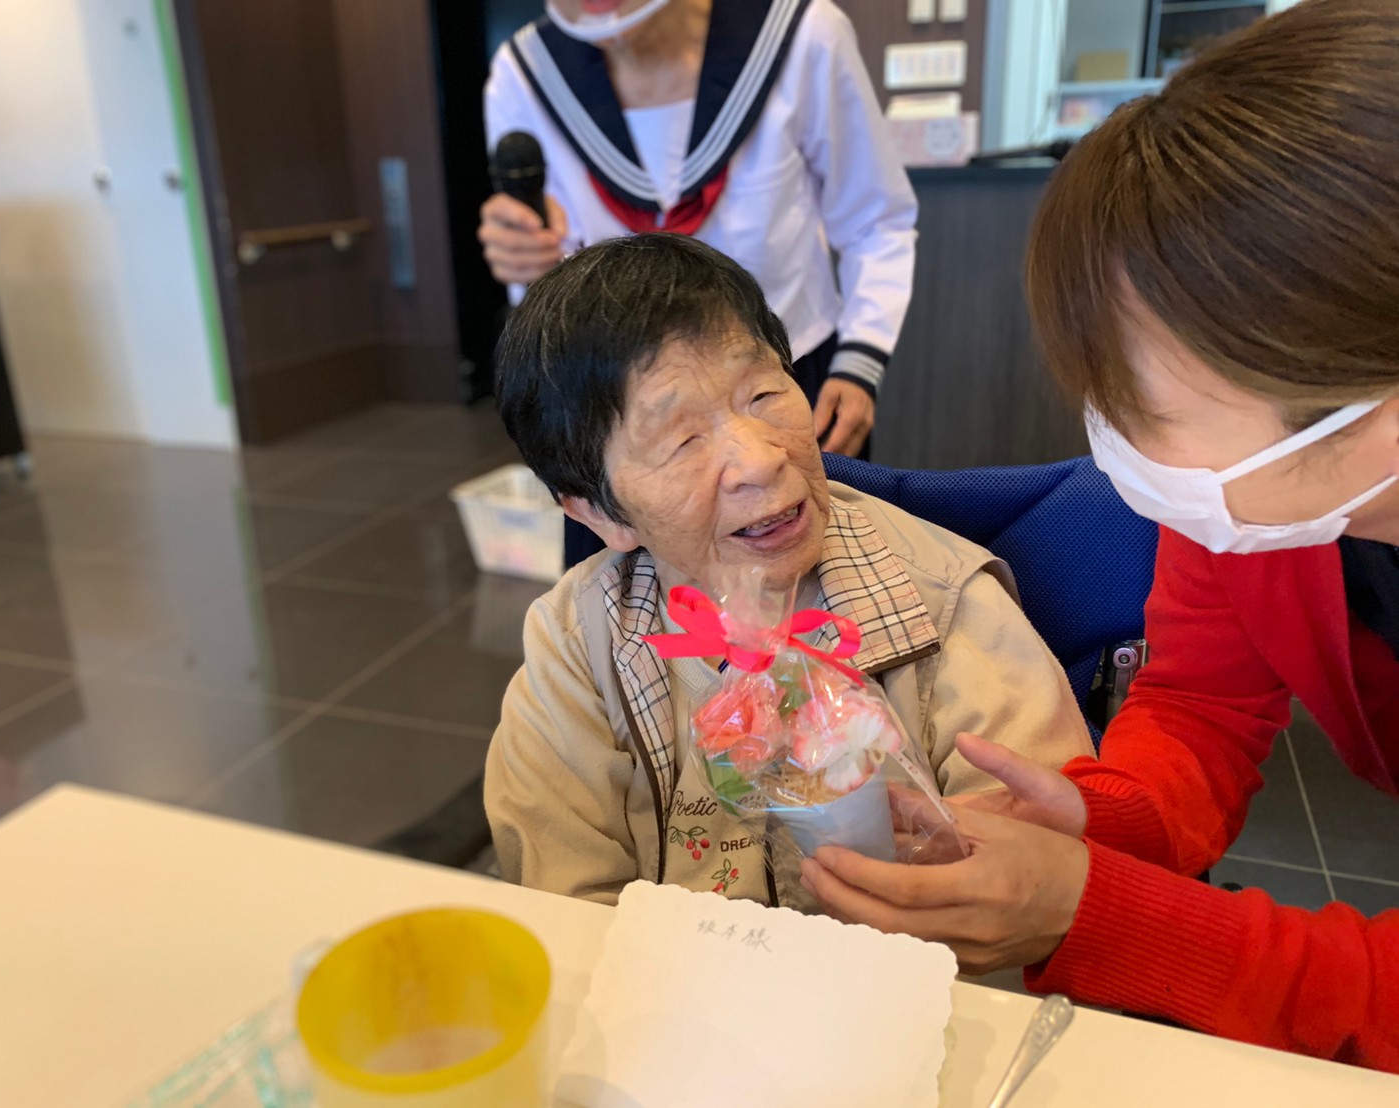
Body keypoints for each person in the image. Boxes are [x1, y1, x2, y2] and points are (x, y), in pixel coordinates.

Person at [800, 0, 1399, 1071]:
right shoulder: (1239, 513)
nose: (1114, 445)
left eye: (1147, 409)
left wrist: (1099, 913)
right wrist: (1098, 819)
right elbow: (1201, 703)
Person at [484, 232, 1092, 910]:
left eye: (765, 394)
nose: (761, 459)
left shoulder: (944, 604)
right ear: (598, 512)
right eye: (682, 440)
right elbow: (567, 912)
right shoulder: (578, 646)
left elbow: (1035, 889)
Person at [480, 0, 917, 459]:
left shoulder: (802, 34)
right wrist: (529, 257)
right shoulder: (526, 72)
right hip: (623, 407)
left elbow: (875, 219)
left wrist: (859, 362)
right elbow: (555, 261)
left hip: (785, 378)